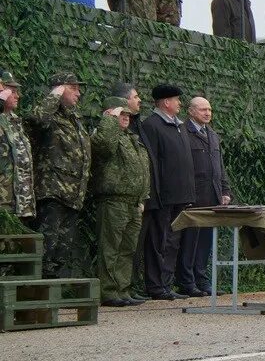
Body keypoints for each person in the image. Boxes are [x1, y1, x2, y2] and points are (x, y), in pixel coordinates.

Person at [26, 73, 92, 278]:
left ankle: (51, 297)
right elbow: (36, 120)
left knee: (61, 253)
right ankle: (37, 300)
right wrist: (54, 96)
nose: (78, 93)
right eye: (73, 88)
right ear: (59, 89)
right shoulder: (48, 115)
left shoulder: (75, 117)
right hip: (52, 192)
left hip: (73, 195)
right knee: (46, 248)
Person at [90, 96, 150, 307]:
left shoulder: (132, 138)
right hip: (113, 200)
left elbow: (143, 170)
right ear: (111, 114)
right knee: (110, 248)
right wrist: (109, 120)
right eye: (121, 114)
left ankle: (123, 289)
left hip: (133, 202)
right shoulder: (105, 134)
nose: (126, 118)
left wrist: (143, 198)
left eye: (127, 115)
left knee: (127, 249)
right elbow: (104, 147)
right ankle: (108, 291)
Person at [141, 84, 195, 300]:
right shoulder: (151, 125)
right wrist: (155, 194)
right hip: (163, 196)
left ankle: (166, 283)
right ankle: (155, 286)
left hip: (180, 196)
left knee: (173, 242)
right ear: (165, 102)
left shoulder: (179, 126)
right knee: (158, 241)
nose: (180, 103)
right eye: (176, 99)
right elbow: (151, 163)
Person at [177, 97, 232, 296]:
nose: (207, 113)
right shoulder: (183, 132)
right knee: (190, 240)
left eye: (209, 109)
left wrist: (225, 191)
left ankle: (202, 279)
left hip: (212, 196)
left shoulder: (213, 135)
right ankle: (186, 281)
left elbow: (220, 167)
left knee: (206, 241)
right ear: (191, 111)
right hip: (193, 196)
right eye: (202, 110)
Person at [0, 71, 35, 219]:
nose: (17, 96)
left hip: (20, 203)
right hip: (3, 201)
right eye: (12, 91)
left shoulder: (16, 121)